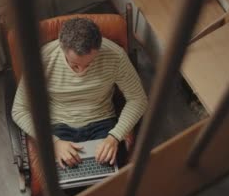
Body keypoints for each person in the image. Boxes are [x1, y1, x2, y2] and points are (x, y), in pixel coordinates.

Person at [12, 17, 147, 169]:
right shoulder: (42, 60)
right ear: (62, 48)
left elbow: (138, 99)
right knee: (70, 182)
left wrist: (115, 136)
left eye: (89, 63)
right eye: (75, 65)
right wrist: (53, 142)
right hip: (59, 126)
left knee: (111, 175)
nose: (82, 72)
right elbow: (19, 109)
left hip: (102, 122)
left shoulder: (116, 56)